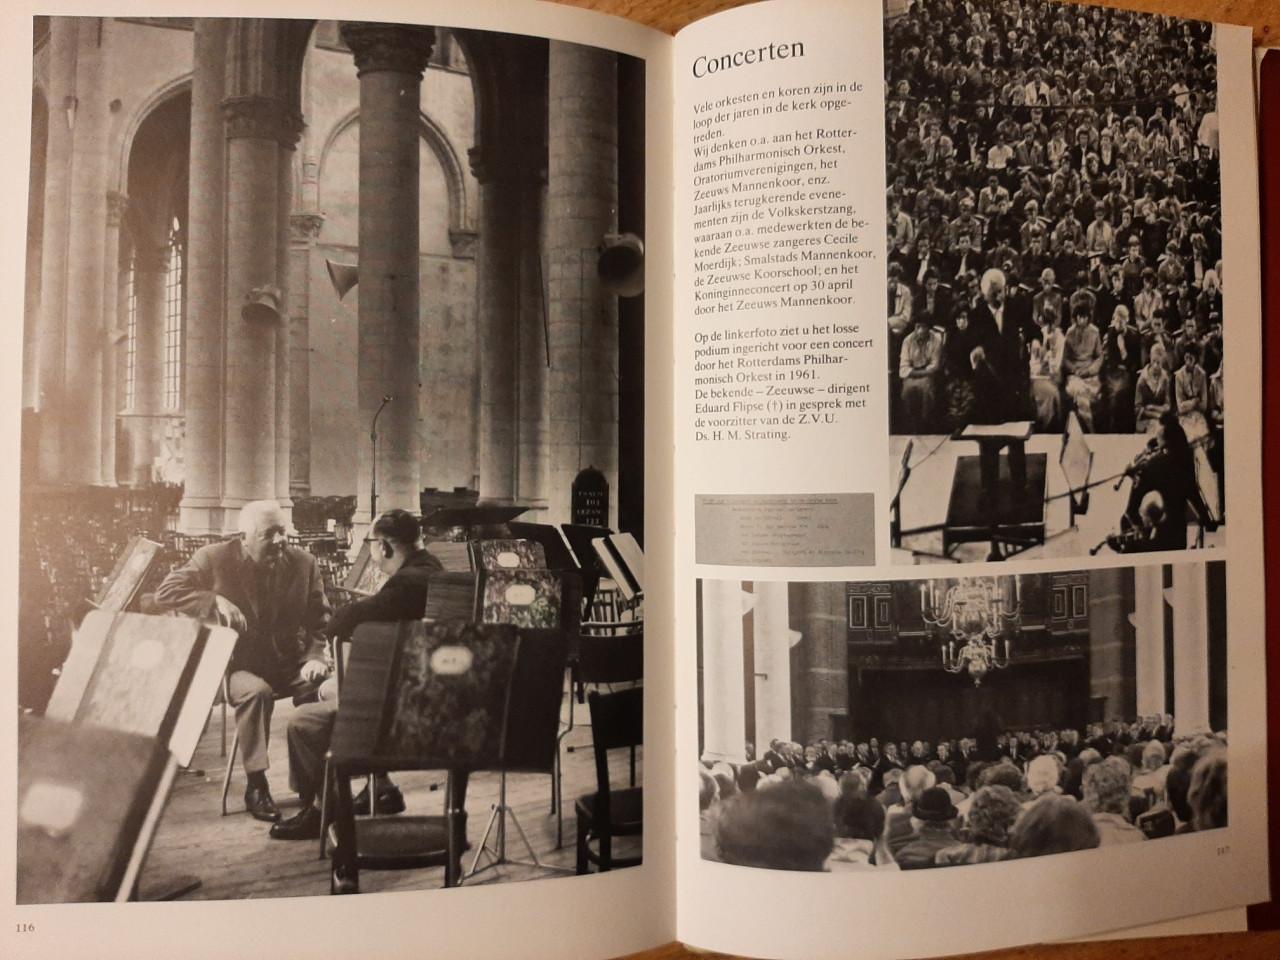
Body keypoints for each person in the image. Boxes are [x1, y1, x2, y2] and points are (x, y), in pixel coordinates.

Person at [270, 509, 444, 840]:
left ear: (385, 546)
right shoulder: (431, 567)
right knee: (324, 693)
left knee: (305, 721)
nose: (372, 552)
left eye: (370, 544)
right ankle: (381, 787)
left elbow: (343, 620)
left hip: (405, 708)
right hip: (426, 691)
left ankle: (326, 807)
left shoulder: (408, 583)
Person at [152, 500, 331, 822]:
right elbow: (166, 592)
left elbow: (320, 620)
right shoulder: (214, 558)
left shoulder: (304, 563)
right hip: (235, 664)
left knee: (330, 689)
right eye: (270, 534)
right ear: (245, 535)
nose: (280, 541)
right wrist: (212, 599)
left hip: (289, 663)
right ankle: (257, 783)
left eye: (283, 532)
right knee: (255, 693)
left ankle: (313, 784)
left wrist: (316, 656)